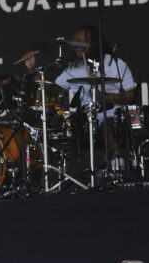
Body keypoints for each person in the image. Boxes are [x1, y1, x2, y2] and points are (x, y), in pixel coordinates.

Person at [21, 25, 137, 170]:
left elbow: (130, 96)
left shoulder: (115, 64)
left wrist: (105, 96)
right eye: (75, 42)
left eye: (81, 42)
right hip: (85, 120)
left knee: (107, 127)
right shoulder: (73, 68)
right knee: (58, 127)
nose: (76, 46)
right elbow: (51, 92)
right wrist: (33, 69)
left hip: (113, 117)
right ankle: (56, 172)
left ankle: (117, 167)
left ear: (95, 42)